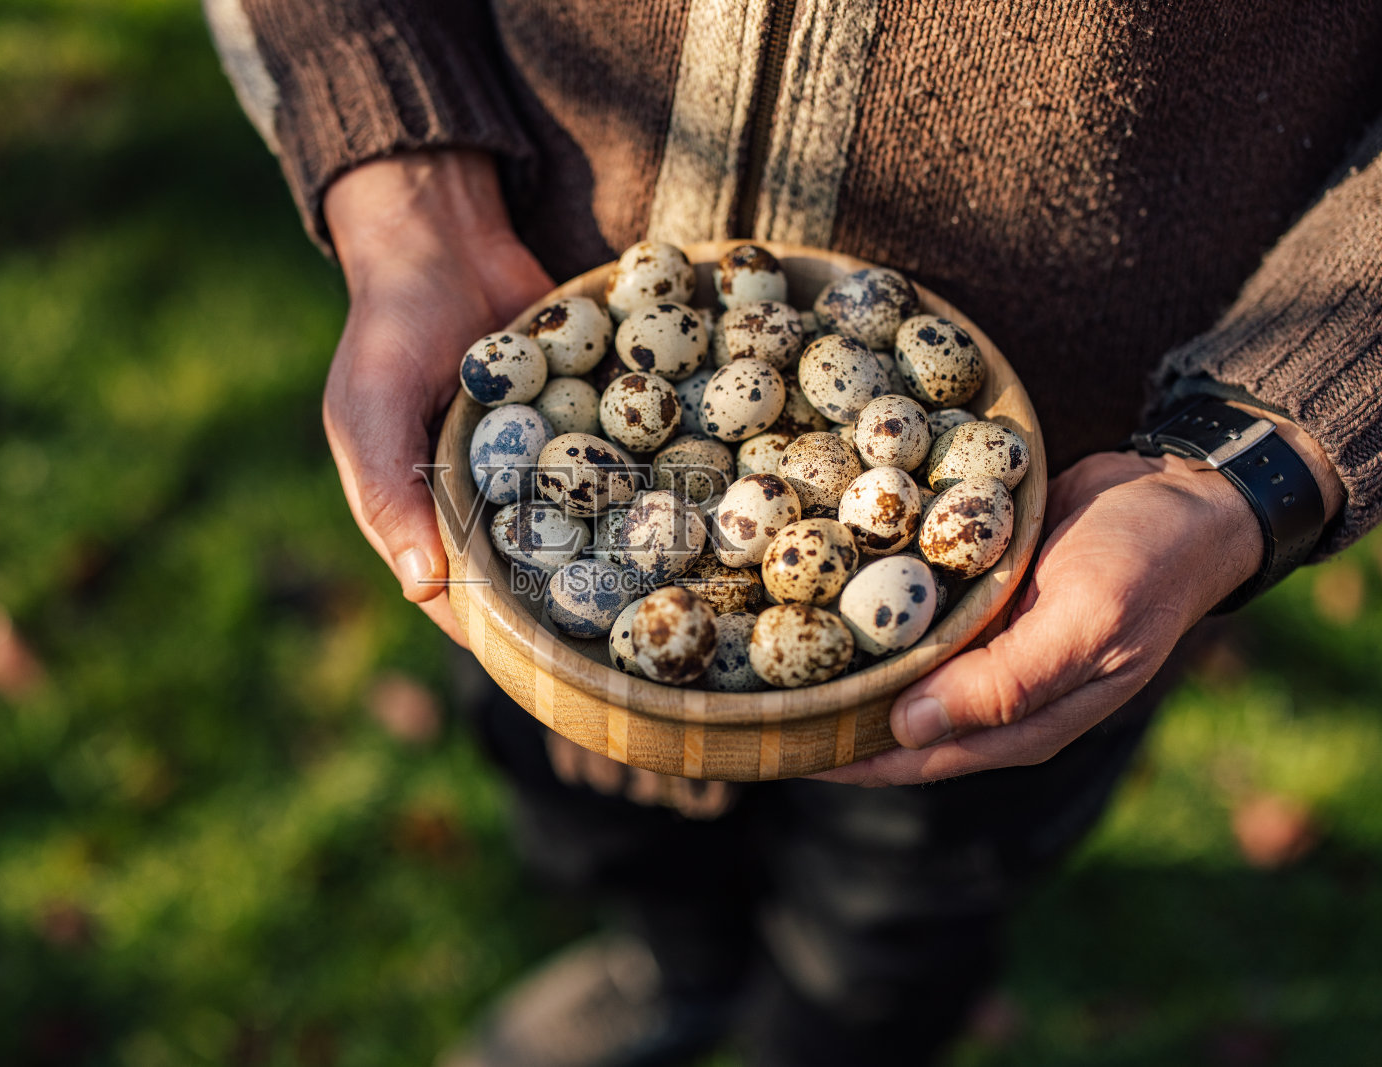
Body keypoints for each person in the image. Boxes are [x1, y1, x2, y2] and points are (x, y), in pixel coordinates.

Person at [205, 2, 1381, 1063]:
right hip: (536, 363)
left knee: (901, 910)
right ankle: (676, 968)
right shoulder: (609, 461)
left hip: (1058, 541)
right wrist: (405, 185)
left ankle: (830, 1038)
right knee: (592, 810)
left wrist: (1255, 464)